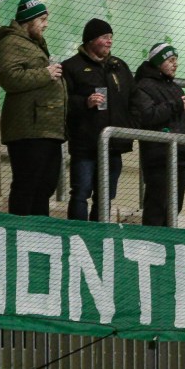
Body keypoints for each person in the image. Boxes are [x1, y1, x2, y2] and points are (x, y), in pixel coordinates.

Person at [0, 0, 66, 216]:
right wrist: (45, 74)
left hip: (46, 129)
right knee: (27, 184)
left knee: (45, 185)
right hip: (28, 129)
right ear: (29, 20)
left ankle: (38, 230)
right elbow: (10, 78)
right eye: (42, 19)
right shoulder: (11, 43)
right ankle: (19, 229)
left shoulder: (33, 45)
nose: (46, 25)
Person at [62, 18, 135, 221]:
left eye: (111, 37)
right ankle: (76, 234)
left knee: (105, 196)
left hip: (113, 145)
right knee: (81, 192)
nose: (110, 41)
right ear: (90, 40)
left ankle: (99, 236)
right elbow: (63, 101)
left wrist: (130, 127)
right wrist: (85, 102)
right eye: (104, 37)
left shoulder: (119, 66)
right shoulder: (71, 67)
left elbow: (134, 99)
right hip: (85, 144)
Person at [132, 42, 185, 227]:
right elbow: (148, 116)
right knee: (156, 209)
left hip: (181, 156)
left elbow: (177, 121)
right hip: (159, 158)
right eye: (171, 60)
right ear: (158, 62)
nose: (175, 64)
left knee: (173, 210)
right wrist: (177, 106)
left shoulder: (176, 88)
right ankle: (150, 243)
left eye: (176, 60)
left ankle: (166, 244)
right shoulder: (143, 86)